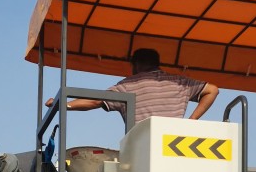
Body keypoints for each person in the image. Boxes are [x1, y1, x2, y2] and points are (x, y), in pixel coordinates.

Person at [46, 48, 219, 128]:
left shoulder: (128, 86)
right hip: (174, 144)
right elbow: (213, 90)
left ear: (136, 64)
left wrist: (62, 104)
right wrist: (193, 120)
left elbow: (94, 101)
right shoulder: (180, 82)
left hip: (141, 146)